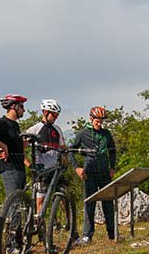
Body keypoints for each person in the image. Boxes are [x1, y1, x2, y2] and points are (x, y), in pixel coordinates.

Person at [72, 106, 119, 244]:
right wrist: (77, 168)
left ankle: (112, 233)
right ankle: (87, 235)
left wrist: (112, 167)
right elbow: (71, 151)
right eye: (97, 120)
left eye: (102, 120)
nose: (99, 123)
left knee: (108, 202)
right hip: (89, 172)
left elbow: (113, 151)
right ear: (91, 119)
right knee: (89, 202)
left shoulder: (106, 134)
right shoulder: (83, 133)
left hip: (104, 171)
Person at [23, 99, 68, 217]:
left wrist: (65, 161)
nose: (55, 117)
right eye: (53, 114)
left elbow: (63, 147)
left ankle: (69, 225)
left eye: (57, 115)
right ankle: (40, 226)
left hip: (55, 169)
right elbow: (21, 148)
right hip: (41, 170)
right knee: (41, 200)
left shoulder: (57, 129)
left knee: (63, 196)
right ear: (45, 112)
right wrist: (29, 164)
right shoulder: (35, 129)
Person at [0, 94, 28, 195]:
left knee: (20, 203)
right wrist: (3, 146)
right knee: (13, 203)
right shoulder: (2, 122)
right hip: (9, 168)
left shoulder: (15, 125)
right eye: (21, 107)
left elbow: (18, 147)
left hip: (19, 168)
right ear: (13, 106)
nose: (24, 110)